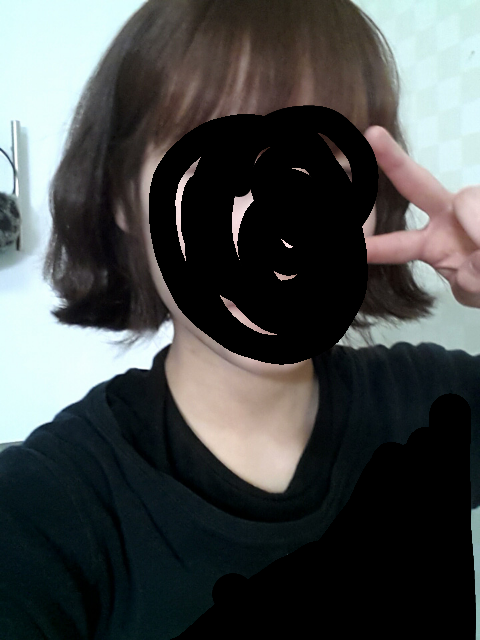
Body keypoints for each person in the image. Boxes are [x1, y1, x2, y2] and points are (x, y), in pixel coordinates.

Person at [1, 1, 477, 638]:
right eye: (218, 159)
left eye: (321, 160)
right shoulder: (46, 510)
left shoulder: (435, 402)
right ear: (121, 197)